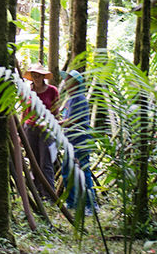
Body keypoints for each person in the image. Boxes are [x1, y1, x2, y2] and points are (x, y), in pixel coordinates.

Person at [60, 69, 96, 214]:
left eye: (68, 79)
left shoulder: (80, 98)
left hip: (80, 141)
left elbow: (72, 121)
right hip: (71, 142)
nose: (65, 82)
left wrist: (55, 123)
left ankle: (90, 205)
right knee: (67, 171)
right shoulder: (70, 99)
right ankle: (72, 202)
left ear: (75, 83)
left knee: (83, 171)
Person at [23, 63, 58, 198]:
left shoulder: (52, 91)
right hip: (30, 129)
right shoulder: (27, 91)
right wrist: (21, 134)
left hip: (47, 129)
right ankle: (37, 194)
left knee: (46, 163)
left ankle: (49, 195)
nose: (36, 78)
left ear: (43, 76)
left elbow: (55, 112)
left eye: (39, 75)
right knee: (34, 162)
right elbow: (24, 112)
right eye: (34, 75)